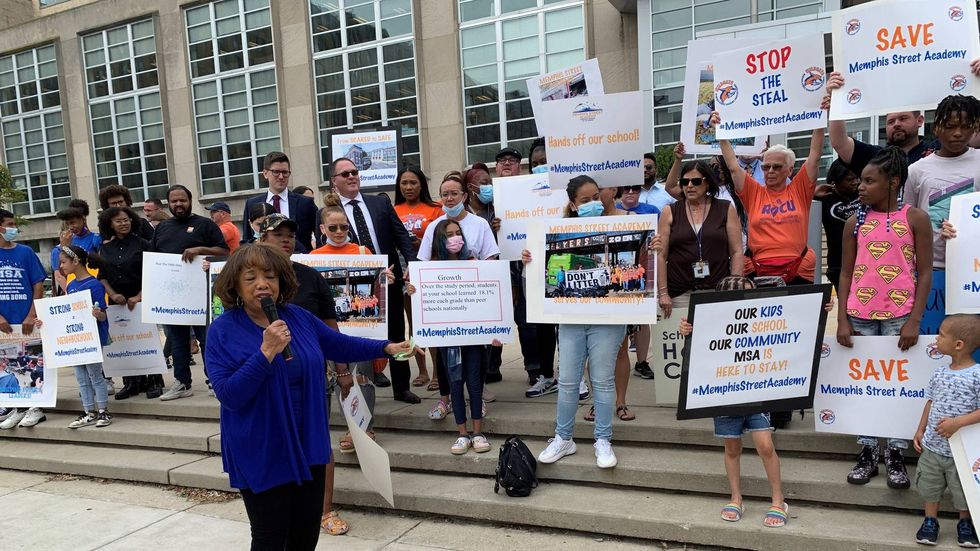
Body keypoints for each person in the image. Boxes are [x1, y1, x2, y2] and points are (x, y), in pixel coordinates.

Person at [206, 243, 418, 550]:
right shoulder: (223, 330)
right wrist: (266, 352)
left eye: (270, 276)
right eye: (250, 277)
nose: (263, 283)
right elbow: (230, 395)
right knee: (270, 536)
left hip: (309, 441)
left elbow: (338, 345)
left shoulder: (299, 318)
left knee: (305, 534)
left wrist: (385, 347)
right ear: (235, 285)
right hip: (262, 446)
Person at [837, 147, 933, 489]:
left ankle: (894, 453)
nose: (860, 187)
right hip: (860, 316)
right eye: (860, 181)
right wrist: (842, 319)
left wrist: (914, 320)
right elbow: (845, 273)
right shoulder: (855, 221)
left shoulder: (916, 218)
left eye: (868, 181)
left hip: (899, 315)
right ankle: (867, 451)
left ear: (893, 182)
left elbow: (924, 273)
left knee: (896, 385)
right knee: (865, 385)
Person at [530, 175, 628, 469]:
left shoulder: (624, 223)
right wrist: (530, 258)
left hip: (608, 319)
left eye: (596, 197)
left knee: (602, 380)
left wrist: (656, 247)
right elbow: (543, 274)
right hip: (571, 318)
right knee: (569, 381)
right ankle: (563, 438)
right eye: (585, 200)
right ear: (573, 204)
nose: (593, 203)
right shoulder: (557, 232)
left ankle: (603, 440)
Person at [678, 276, 787, 528]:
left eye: (748, 294)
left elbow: (792, 328)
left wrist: (819, 307)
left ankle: (778, 499)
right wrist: (688, 333)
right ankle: (736, 497)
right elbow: (694, 356)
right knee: (731, 447)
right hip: (724, 393)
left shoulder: (764, 319)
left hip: (756, 392)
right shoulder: (711, 322)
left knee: (765, 445)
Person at [330, 156, 421, 403]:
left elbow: (401, 236)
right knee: (359, 337)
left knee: (395, 331)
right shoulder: (330, 213)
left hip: (389, 282)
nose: (351, 177)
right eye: (345, 174)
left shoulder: (379, 203)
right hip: (354, 288)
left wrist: (412, 264)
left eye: (354, 172)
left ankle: (401, 387)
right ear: (334, 181)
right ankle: (364, 388)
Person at [310, 198, 395, 453]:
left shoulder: (363, 252)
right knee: (340, 377)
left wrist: (384, 280)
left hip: (362, 327)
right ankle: (352, 426)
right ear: (322, 229)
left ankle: (365, 427)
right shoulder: (312, 257)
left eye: (343, 227)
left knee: (363, 377)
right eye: (332, 228)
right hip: (331, 329)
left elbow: (376, 291)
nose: (338, 232)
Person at [409, 218, 497, 454]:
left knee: (475, 384)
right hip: (449, 340)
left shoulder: (473, 262)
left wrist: (497, 328)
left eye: (458, 233)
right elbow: (420, 297)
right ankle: (462, 434)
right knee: (455, 385)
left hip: (474, 337)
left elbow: (489, 294)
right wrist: (412, 289)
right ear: (440, 239)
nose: (455, 238)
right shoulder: (429, 268)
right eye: (449, 234)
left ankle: (478, 432)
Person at [418, 174, 501, 420]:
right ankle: (446, 400)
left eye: (454, 193)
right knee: (446, 355)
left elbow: (491, 259)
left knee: (476, 353)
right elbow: (423, 263)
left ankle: (476, 399)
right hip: (445, 302)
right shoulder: (434, 226)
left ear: (464, 196)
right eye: (445, 194)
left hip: (473, 300)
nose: (449, 198)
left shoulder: (479, 224)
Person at [713, 111, 824, 285]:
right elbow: (733, 167)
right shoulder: (754, 192)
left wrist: (821, 117)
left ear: (789, 169)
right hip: (757, 268)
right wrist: (721, 133)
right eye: (766, 167)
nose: (770, 171)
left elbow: (815, 157)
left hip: (798, 267)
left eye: (777, 167)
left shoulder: (799, 189)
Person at [902, 95, 980, 339]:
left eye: (966, 127)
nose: (958, 133)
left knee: (969, 345)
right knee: (932, 340)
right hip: (929, 269)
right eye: (950, 126)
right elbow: (907, 219)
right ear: (936, 128)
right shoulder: (916, 170)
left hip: (973, 272)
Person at [152, 184, 229, 401]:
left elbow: (224, 251)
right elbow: (154, 257)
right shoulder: (162, 228)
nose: (178, 204)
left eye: (182, 200)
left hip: (201, 293)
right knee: (177, 339)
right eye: (174, 201)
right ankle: (182, 382)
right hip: (173, 295)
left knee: (207, 339)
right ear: (168, 203)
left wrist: (200, 250)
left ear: (190, 201)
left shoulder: (205, 225)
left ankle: (213, 379)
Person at [912, 314, 980, 547]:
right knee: (930, 485)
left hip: (962, 452)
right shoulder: (939, 373)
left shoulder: (977, 375)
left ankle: (965, 523)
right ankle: (930, 521)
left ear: (958, 345)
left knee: (962, 490)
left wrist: (958, 422)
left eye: (941, 335)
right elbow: (930, 402)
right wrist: (920, 430)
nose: (936, 339)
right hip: (933, 447)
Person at [657, 159, 744, 319]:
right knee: (683, 339)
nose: (689, 186)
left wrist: (734, 283)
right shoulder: (670, 211)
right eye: (685, 181)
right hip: (680, 292)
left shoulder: (725, 208)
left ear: (708, 183)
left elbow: (737, 250)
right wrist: (663, 293)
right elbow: (661, 255)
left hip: (718, 289)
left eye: (696, 181)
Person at [97, 206, 163, 399]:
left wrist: (139, 296)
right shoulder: (105, 247)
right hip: (117, 301)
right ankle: (131, 383)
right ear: (110, 224)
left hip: (140, 298)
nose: (124, 223)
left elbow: (153, 272)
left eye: (126, 219)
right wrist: (113, 294)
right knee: (124, 343)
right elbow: (102, 276)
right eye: (118, 221)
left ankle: (153, 381)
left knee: (146, 340)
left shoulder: (143, 243)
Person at [52, 245, 113, 429]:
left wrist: (97, 314)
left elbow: (103, 314)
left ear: (76, 261)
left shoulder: (94, 284)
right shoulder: (70, 285)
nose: (61, 266)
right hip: (76, 339)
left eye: (63, 262)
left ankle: (103, 410)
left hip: (91, 339)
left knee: (95, 375)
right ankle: (89, 412)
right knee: (81, 377)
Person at [393, 166, 443, 390]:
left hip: (428, 267)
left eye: (413, 182)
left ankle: (437, 373)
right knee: (413, 324)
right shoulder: (393, 209)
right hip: (403, 269)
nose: (408, 187)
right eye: (404, 183)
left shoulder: (435, 209)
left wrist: (422, 242)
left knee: (429, 322)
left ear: (421, 184)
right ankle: (421, 370)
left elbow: (443, 237)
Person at [0, 209, 46, 430]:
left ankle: (35, 407)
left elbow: (38, 284)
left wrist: (31, 313)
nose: (13, 228)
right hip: (3, 325)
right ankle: (16, 407)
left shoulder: (26, 252)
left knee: (32, 365)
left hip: (27, 322)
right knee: (9, 367)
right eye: (9, 224)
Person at [242, 151, 318, 252]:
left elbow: (320, 234)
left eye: (285, 172)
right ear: (265, 173)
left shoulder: (305, 203)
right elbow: (247, 239)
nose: (281, 177)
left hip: (299, 261)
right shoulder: (252, 204)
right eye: (276, 172)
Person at [815, 160, 860, 291]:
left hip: (863, 259)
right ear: (836, 180)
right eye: (849, 179)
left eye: (857, 178)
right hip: (838, 262)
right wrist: (813, 194)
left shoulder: (863, 195)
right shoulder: (824, 198)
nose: (855, 182)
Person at [51, 201, 102, 295]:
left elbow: (103, 267)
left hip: (93, 287)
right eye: (67, 224)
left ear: (83, 219)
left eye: (73, 223)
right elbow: (61, 273)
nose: (70, 227)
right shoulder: (63, 243)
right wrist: (64, 247)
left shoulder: (96, 239)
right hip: (73, 290)